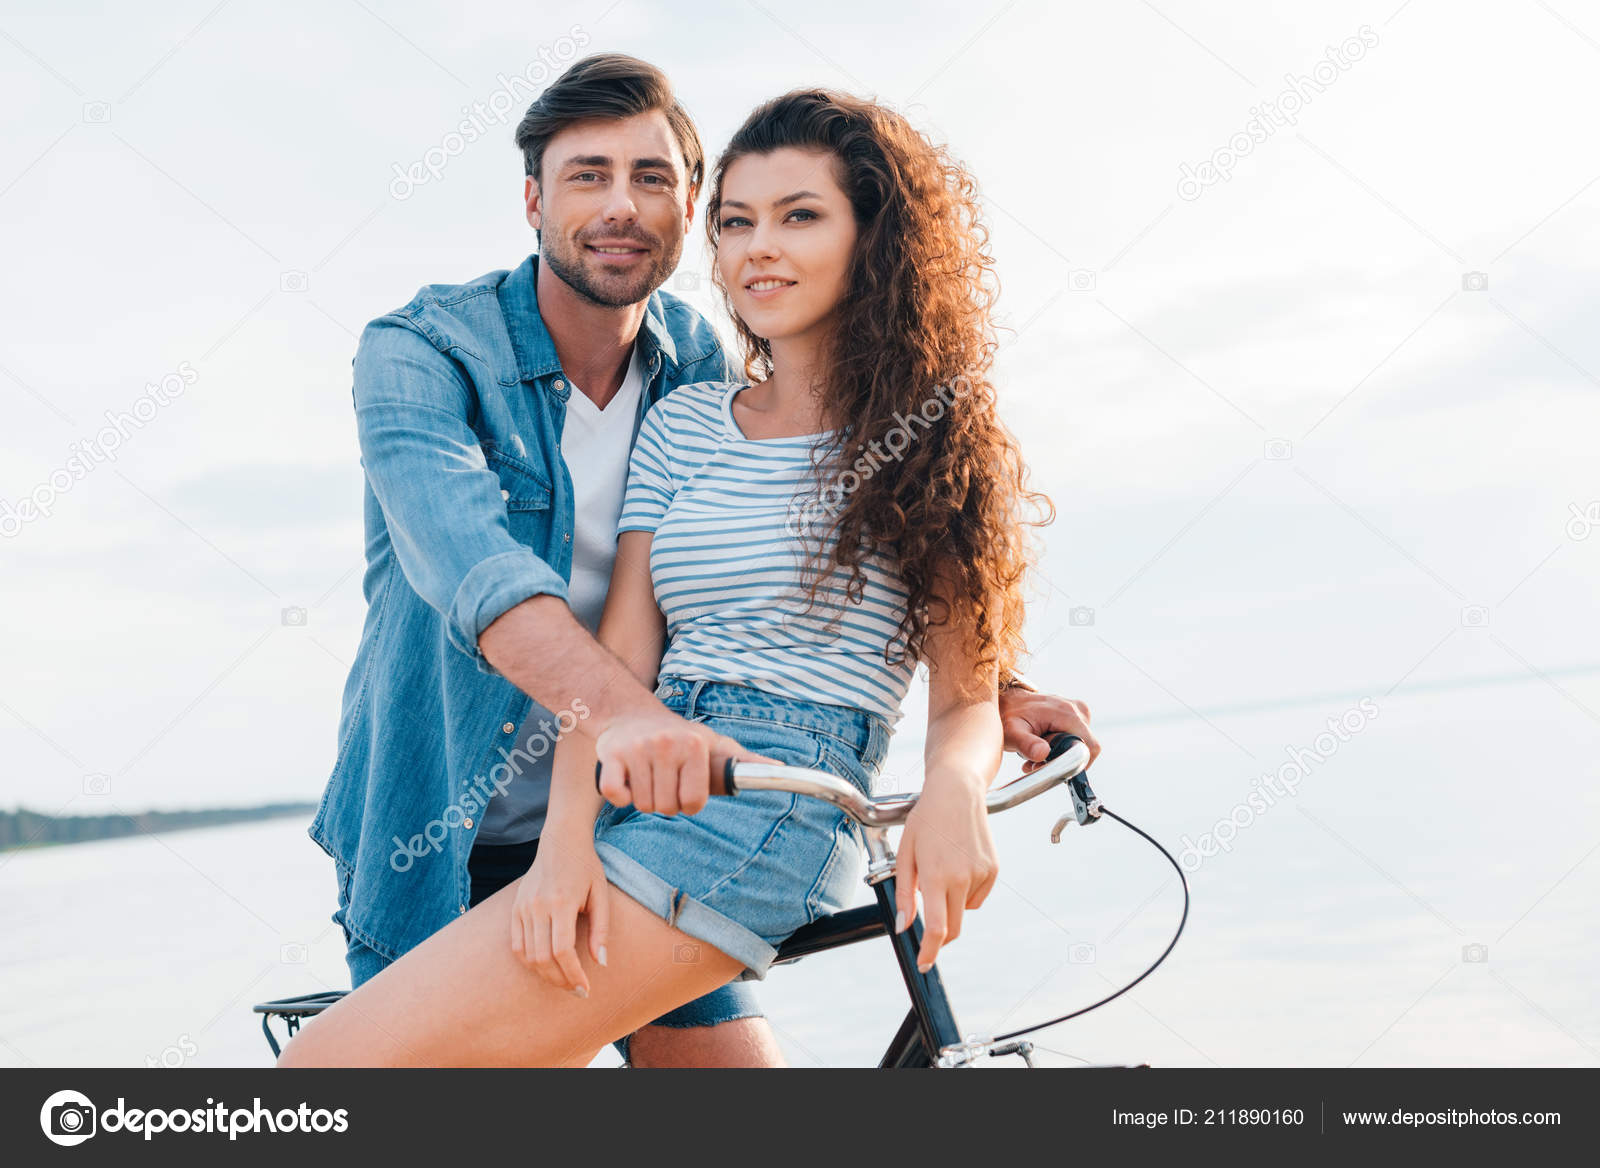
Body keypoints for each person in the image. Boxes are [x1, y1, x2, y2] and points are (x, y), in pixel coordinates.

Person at [281, 76, 1094, 1068]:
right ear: (534, 201)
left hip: (718, 792)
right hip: (447, 818)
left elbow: (877, 581)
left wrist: (978, 717)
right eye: (587, 176)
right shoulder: (429, 356)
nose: (621, 205)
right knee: (343, 1077)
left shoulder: (705, 365)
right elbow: (486, 576)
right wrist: (580, 812)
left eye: (652, 179)